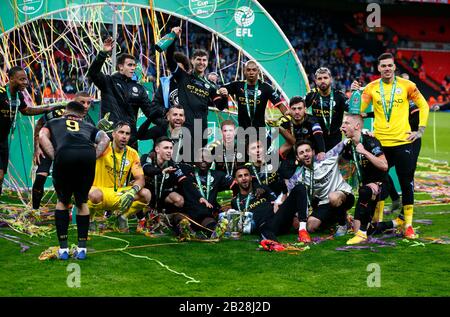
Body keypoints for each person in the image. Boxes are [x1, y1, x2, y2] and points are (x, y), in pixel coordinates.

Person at [351, 52, 429, 239]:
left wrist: (420, 130)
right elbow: (356, 111)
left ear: (394, 67)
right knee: (379, 181)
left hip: (403, 142)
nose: (386, 68)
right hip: (381, 144)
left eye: (389, 65)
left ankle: (408, 225)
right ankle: (376, 219)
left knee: (406, 181)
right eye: (383, 66)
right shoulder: (371, 88)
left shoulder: (407, 85)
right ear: (378, 68)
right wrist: (355, 93)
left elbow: (424, 105)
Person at [38, 101, 110, 260]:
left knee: (63, 201)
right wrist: (94, 156)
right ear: (81, 115)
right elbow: (105, 138)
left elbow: (42, 136)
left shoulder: (54, 122)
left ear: (65, 112)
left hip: (64, 154)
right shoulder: (88, 126)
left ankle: (63, 250)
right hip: (86, 155)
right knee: (82, 202)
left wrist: (54, 156)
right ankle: (82, 249)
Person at [87, 37, 155, 148]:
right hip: (109, 136)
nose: (133, 68)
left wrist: (165, 119)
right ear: (120, 67)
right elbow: (93, 73)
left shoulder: (139, 89)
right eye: (129, 65)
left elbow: (150, 111)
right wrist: (103, 53)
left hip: (130, 138)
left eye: (134, 65)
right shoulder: (108, 82)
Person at [166, 27, 228, 150]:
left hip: (201, 127)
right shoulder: (183, 76)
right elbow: (170, 59)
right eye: (198, 59)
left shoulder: (210, 86)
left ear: (207, 62)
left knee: (199, 161)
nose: (201, 62)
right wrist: (173, 37)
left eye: (204, 60)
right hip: (184, 125)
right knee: (183, 158)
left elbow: (220, 106)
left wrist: (225, 97)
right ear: (192, 61)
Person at [32, 92, 94, 211]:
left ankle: (70, 206)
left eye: (89, 103)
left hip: (68, 152)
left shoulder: (88, 120)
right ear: (74, 101)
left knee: (73, 180)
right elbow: (39, 124)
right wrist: (37, 147)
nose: (86, 106)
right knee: (41, 176)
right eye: (82, 102)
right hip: (48, 146)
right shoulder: (59, 111)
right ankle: (34, 210)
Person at [0, 66, 55, 197]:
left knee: (1, 178)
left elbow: (26, 111)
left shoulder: (18, 94)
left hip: (3, 141)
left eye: (26, 79)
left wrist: (46, 109)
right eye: (21, 79)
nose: (25, 82)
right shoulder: (1, 93)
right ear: (11, 79)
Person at [87, 121, 151, 232]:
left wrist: (132, 191)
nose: (124, 136)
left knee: (146, 194)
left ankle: (122, 217)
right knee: (94, 194)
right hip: (98, 191)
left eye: (127, 133)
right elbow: (85, 143)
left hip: (118, 194)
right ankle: (90, 219)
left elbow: (140, 179)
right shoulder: (103, 148)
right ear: (113, 134)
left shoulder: (133, 153)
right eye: (121, 132)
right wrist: (96, 130)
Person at [288, 140, 355, 236]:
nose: (306, 154)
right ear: (297, 157)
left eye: (308, 151)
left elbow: (344, 142)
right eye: (301, 153)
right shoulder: (297, 177)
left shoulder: (327, 158)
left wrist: (365, 132)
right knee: (310, 227)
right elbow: (292, 197)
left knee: (334, 197)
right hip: (324, 202)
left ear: (313, 152)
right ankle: (335, 220)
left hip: (344, 195)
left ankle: (343, 224)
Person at [340, 114, 389, 244]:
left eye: (346, 123)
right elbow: (343, 168)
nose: (342, 127)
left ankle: (362, 235)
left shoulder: (370, 141)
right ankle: (393, 224)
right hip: (365, 188)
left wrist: (365, 152)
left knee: (365, 191)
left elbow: (384, 165)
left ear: (357, 126)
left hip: (381, 185)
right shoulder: (349, 146)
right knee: (362, 230)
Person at [231, 165, 309, 243]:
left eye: (246, 175)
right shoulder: (235, 201)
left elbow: (276, 202)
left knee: (300, 188)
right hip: (264, 226)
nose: (244, 178)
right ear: (236, 180)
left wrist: (278, 205)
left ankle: (302, 230)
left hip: (278, 219)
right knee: (264, 227)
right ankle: (273, 243)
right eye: (240, 176)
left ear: (251, 177)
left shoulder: (262, 189)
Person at [178, 148, 233, 238]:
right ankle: (188, 232)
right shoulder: (186, 172)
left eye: (207, 157)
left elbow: (237, 183)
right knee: (179, 217)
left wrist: (231, 204)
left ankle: (212, 231)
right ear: (194, 160)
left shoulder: (219, 175)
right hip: (189, 212)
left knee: (209, 222)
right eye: (200, 158)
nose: (203, 160)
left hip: (207, 213)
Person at [221, 60, 290, 130]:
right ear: (244, 71)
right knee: (241, 140)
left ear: (258, 71)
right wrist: (223, 90)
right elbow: (222, 88)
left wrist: (289, 117)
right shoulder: (237, 85)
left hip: (261, 130)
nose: (251, 72)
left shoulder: (266, 87)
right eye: (248, 70)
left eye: (254, 70)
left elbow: (280, 105)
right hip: (242, 130)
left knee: (261, 141)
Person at [140, 136, 185, 232]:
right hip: (145, 195)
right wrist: (161, 171)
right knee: (144, 193)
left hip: (161, 197)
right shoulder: (147, 157)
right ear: (157, 149)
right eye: (166, 148)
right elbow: (147, 169)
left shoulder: (172, 164)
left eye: (171, 148)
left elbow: (182, 180)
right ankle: (141, 214)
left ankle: (164, 217)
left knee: (179, 200)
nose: (169, 151)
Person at [305, 67, 348, 151]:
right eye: (319, 78)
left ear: (330, 79)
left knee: (333, 163)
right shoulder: (311, 95)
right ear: (316, 81)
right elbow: (300, 109)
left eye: (325, 78)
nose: (323, 81)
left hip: (335, 139)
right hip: (316, 137)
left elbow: (352, 111)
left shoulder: (339, 96)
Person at [278, 96, 326, 160]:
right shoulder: (284, 121)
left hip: (309, 153)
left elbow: (318, 134)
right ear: (289, 110)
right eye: (294, 109)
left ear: (305, 109)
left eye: (300, 108)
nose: (297, 112)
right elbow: (272, 136)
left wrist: (322, 151)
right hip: (292, 154)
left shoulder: (312, 120)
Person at [149, 52, 191, 122]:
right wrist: (167, 111)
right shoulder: (164, 84)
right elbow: (155, 105)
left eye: (179, 69)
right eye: (174, 68)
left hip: (189, 123)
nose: (176, 72)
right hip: (169, 124)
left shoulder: (192, 84)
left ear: (185, 71)